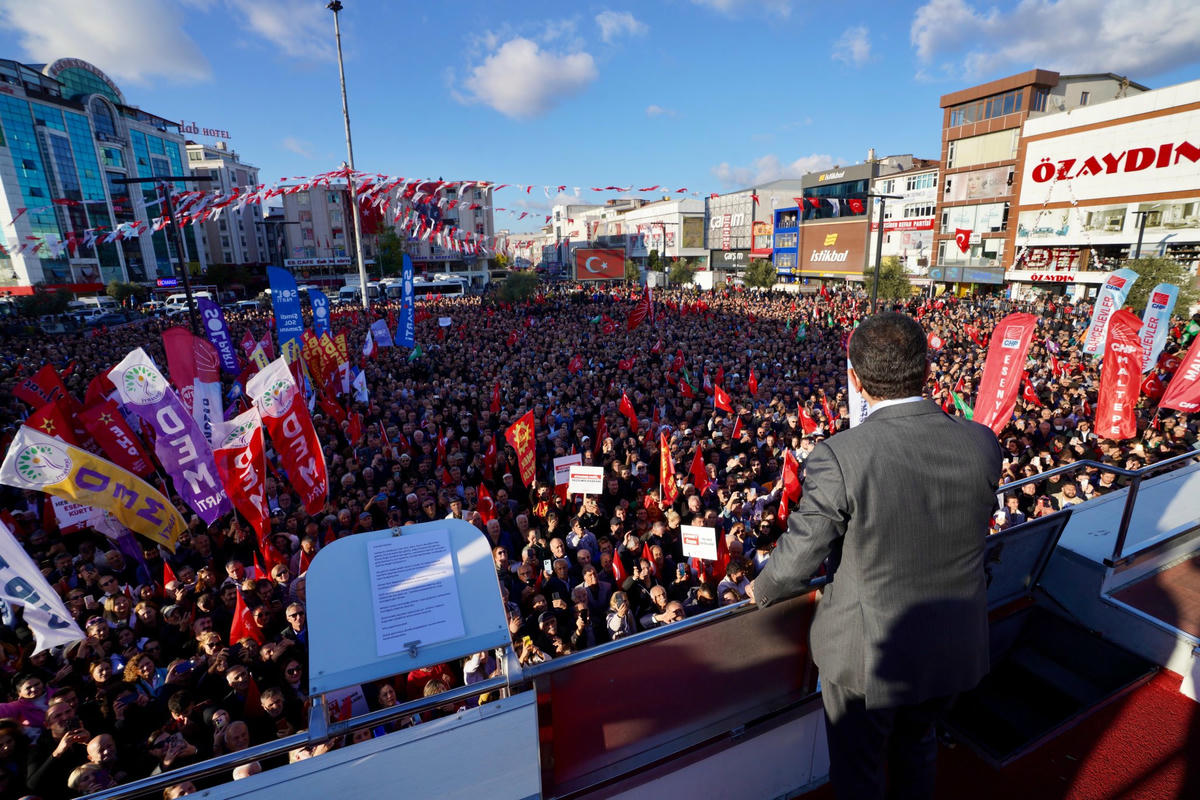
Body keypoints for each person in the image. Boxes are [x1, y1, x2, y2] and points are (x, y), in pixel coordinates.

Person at [748, 312, 1002, 800]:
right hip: (952, 643)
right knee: (918, 748)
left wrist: (758, 589)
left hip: (869, 658)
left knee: (858, 773)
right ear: (926, 370)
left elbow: (796, 562)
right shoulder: (980, 441)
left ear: (857, 381)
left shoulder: (839, 455)